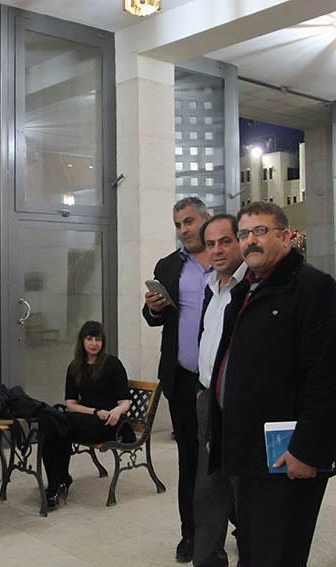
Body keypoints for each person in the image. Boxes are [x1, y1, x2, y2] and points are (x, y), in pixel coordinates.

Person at [213, 201, 336, 567]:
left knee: (278, 554)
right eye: (244, 234)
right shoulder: (245, 290)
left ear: (286, 237)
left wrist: (308, 450)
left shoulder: (314, 289)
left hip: (286, 457)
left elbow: (333, 380)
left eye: (260, 231)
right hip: (247, 453)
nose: (250, 241)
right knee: (252, 548)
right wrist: (219, 428)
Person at [142, 196, 212, 562]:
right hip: (182, 379)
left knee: (229, 457)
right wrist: (152, 308)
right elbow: (155, 316)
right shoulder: (169, 265)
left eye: (189, 221)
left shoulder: (228, 259)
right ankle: (191, 533)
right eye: (178, 224)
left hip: (224, 382)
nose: (183, 229)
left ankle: (239, 523)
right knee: (189, 459)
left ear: (206, 218)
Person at [194, 214, 247, 567]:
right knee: (208, 492)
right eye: (210, 243)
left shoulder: (251, 288)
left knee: (244, 492)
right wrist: (202, 391)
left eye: (225, 241)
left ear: (240, 241)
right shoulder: (211, 288)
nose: (217, 250)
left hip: (240, 406)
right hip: (207, 400)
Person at [41, 320, 133, 510]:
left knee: (58, 424)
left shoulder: (113, 364)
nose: (93, 343)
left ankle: (58, 483)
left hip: (108, 424)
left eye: (97, 339)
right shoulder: (75, 367)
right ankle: (56, 483)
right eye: (89, 339)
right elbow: (71, 404)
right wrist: (94, 411)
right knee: (53, 426)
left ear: (103, 342)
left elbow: (125, 402)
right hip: (86, 419)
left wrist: (115, 412)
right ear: (82, 341)